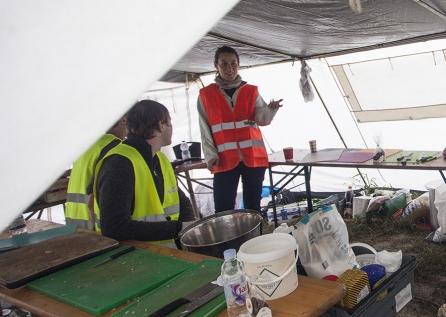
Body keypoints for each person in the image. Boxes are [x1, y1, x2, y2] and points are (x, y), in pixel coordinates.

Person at [95, 100, 196, 245]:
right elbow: (113, 227)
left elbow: (181, 200)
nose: (171, 127)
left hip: (165, 253)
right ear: (161, 125)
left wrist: (189, 228)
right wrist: (178, 228)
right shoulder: (119, 162)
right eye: (170, 122)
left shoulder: (160, 158)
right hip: (134, 257)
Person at [198, 46, 282, 214]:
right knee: (223, 208)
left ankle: (255, 238)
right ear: (216, 65)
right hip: (224, 160)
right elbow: (204, 127)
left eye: (234, 63)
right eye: (224, 63)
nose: (230, 68)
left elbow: (262, 120)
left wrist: (271, 109)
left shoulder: (251, 91)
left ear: (239, 64)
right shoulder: (206, 94)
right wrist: (210, 155)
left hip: (253, 157)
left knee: (253, 207)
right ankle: (230, 240)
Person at [64, 116, 127, 231]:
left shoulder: (90, 145)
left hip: (74, 223)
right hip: (93, 226)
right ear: (123, 120)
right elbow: (92, 198)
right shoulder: (115, 148)